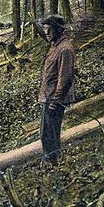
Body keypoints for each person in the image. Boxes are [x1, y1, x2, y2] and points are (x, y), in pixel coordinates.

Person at [37, 14, 76, 166]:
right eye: (45, 29)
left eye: (49, 30)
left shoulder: (64, 49)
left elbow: (65, 78)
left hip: (54, 98)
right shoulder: (55, 46)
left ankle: (52, 163)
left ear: (59, 30)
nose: (46, 33)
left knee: (50, 134)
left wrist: (56, 101)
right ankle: (50, 161)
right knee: (45, 134)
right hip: (49, 96)